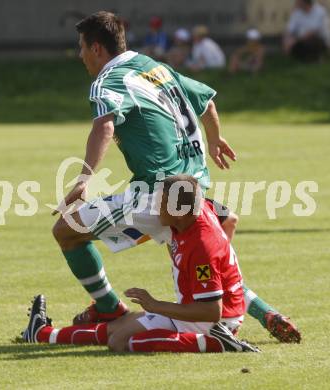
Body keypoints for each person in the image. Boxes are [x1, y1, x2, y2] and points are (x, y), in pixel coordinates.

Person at [51, 11, 300, 344]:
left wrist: (84, 178)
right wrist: (214, 139)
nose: (80, 56)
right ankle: (265, 312)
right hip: (193, 190)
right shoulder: (157, 68)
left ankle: (109, 308)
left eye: (81, 48)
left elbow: (105, 125)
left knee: (66, 231)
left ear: (97, 48)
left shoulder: (108, 80)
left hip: (158, 194)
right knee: (207, 260)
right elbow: (207, 101)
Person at [23, 175, 260, 353]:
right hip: (196, 313)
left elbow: (211, 311)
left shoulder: (201, 246)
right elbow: (228, 217)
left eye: (161, 202)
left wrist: (155, 305)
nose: (155, 207)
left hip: (213, 323)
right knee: (118, 326)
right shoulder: (191, 215)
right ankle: (41, 334)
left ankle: (216, 342)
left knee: (121, 342)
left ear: (178, 212)